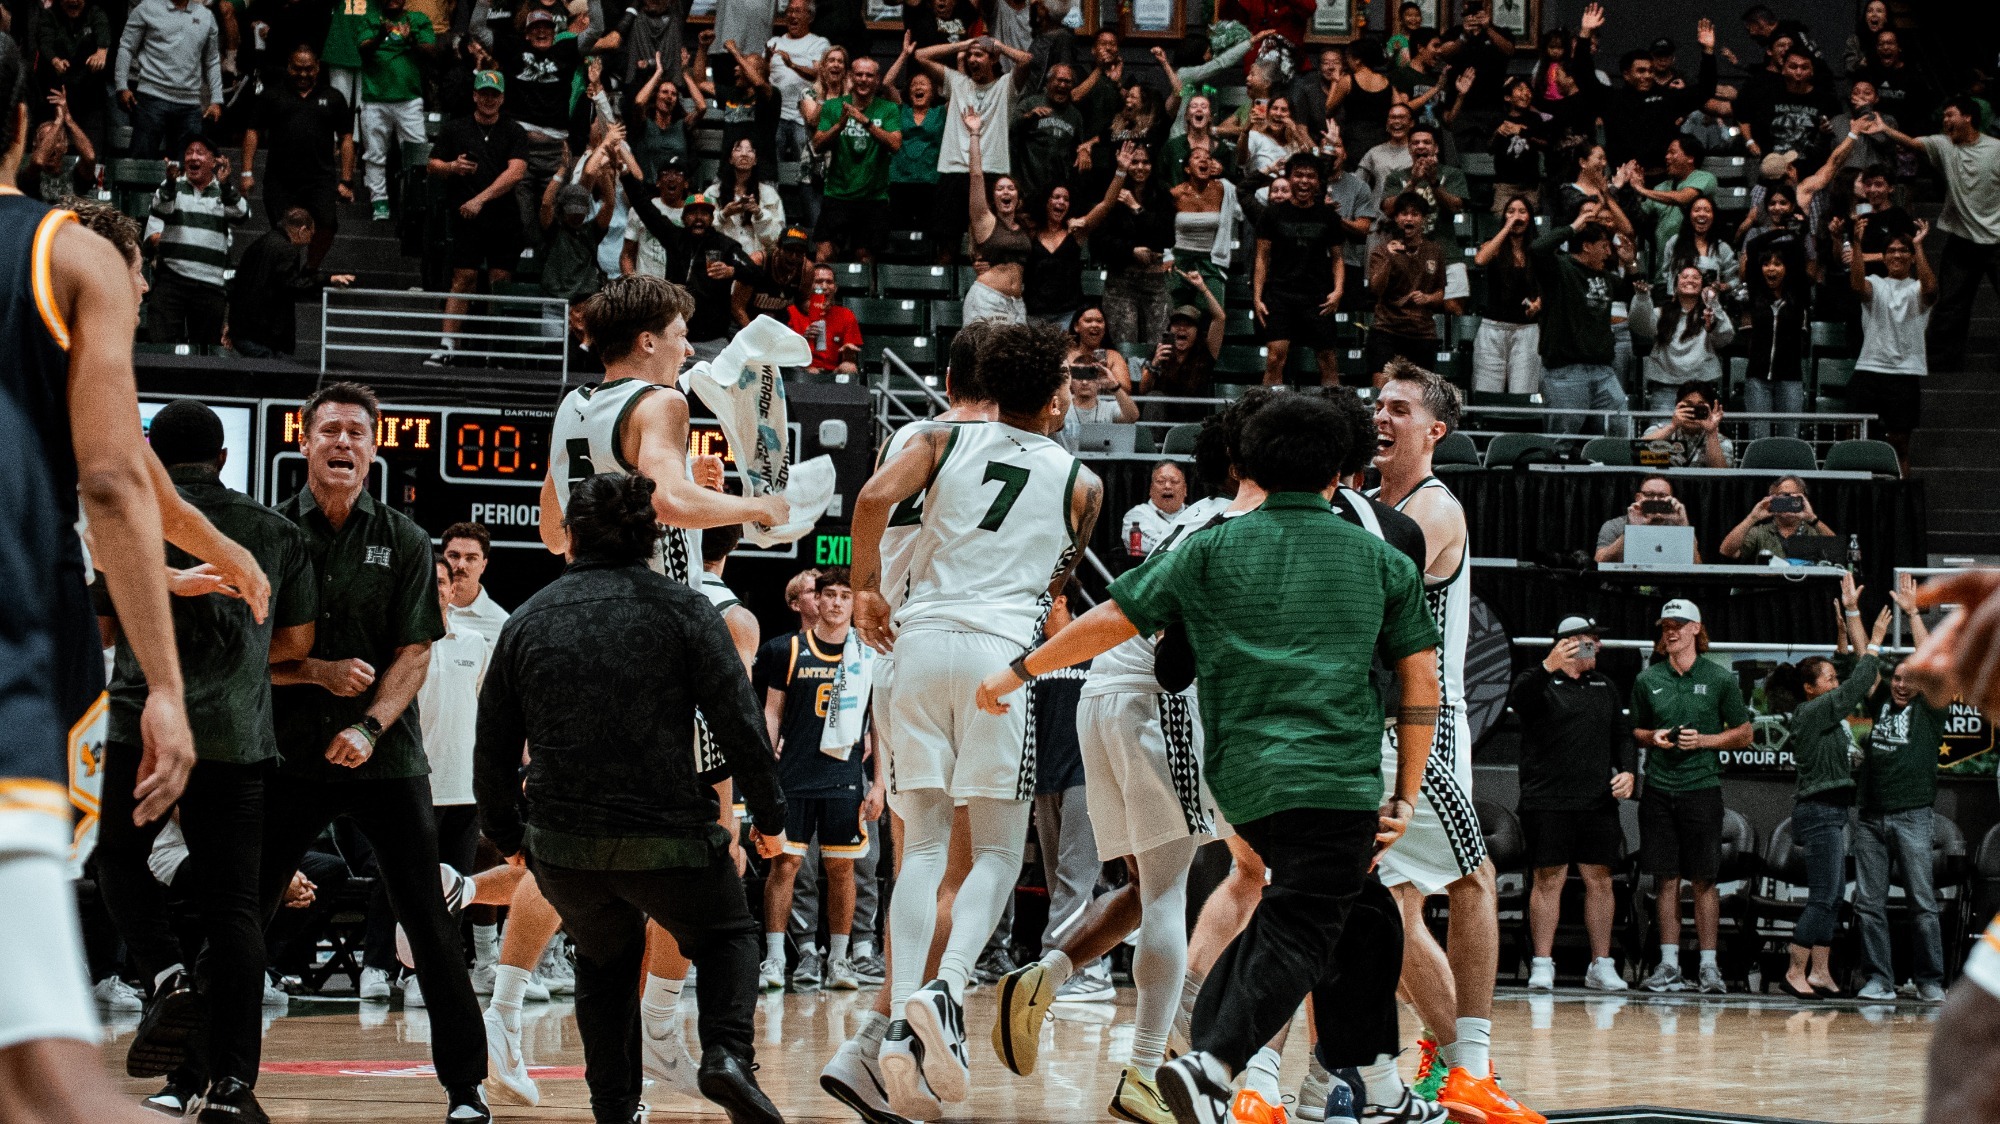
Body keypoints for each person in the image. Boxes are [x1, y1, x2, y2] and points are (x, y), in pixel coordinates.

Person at [974, 391, 1444, 1124]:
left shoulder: (1207, 544)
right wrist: (1407, 794)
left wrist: (1017, 673)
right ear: (1342, 473)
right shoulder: (1383, 558)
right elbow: (1421, 684)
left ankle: (1377, 1087)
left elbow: (1109, 619)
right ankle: (1212, 1061)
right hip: (1333, 776)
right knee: (1295, 920)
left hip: (1243, 780)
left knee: (1364, 916)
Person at [473, 471, 788, 1124]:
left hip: (564, 845)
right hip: (668, 833)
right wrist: (770, 820)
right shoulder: (686, 611)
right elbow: (741, 727)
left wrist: (510, 840)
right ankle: (726, 1054)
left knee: (602, 966)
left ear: (569, 536)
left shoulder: (527, 620)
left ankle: (615, 1111)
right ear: (654, 532)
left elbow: (492, 753)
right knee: (730, 937)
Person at [849, 321, 1098, 1117]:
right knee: (993, 849)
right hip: (1001, 661)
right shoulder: (1082, 484)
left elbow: (872, 498)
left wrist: (863, 590)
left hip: (917, 645)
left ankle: (897, 1023)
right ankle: (950, 990)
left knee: (920, 847)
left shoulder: (940, 441)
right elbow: (1056, 593)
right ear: (1055, 394)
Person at [259, 382, 490, 1123]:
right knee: (245, 910)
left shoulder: (408, 540)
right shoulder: (270, 534)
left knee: (427, 917)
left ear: (373, 448)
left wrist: (370, 725)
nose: (343, 443)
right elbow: (246, 655)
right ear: (305, 440)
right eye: (329, 430)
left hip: (386, 761)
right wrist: (318, 673)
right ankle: (212, 1072)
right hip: (290, 755)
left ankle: (465, 1089)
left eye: (357, 433)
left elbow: (415, 651)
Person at [90, 401, 317, 1121]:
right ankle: (233, 1088)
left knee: (119, 860)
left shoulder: (126, 504)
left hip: (140, 719)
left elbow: (103, 621)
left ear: (154, 451)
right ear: (224, 457)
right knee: (236, 910)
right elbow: (297, 643)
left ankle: (163, 973)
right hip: (236, 735)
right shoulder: (278, 532)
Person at [1370, 360, 1538, 1124]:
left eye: (1399, 408)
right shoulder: (1372, 504)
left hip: (1423, 724)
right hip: (1374, 720)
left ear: (1435, 430)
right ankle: (1451, 1059)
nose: (1382, 416)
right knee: (1391, 908)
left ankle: (1469, 1062)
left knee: (1468, 879)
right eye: (1378, 405)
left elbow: (1372, 597)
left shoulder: (1436, 510)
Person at [755, 567, 882, 993]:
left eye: (845, 596)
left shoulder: (867, 654)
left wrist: (878, 782)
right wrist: (765, 774)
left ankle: (841, 961)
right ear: (817, 600)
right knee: (785, 865)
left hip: (844, 778)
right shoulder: (786, 650)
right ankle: (775, 960)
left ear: (853, 603)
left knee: (842, 869)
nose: (836, 603)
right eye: (829, 595)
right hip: (794, 776)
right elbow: (772, 713)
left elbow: (879, 724)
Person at [1763, 574, 1887, 1000]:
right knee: (1824, 896)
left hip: (1832, 812)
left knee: (1833, 897)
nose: (1835, 684)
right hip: (1818, 813)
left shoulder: (1824, 715)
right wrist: (1874, 643)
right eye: (1828, 679)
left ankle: (1821, 972)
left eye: (1834, 678)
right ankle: (1795, 970)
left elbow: (1849, 680)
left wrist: (1845, 627)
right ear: (1810, 689)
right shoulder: (1812, 713)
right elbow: (1855, 686)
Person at [1630, 598, 1754, 994]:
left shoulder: (1718, 678)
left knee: (1704, 879)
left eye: (1679, 625)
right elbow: (1636, 730)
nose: (1671, 631)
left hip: (1701, 787)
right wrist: (1654, 738)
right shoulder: (1648, 679)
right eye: (1666, 625)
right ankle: (1668, 965)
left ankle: (1708, 966)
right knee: (1665, 879)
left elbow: (1745, 732)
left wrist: (1705, 740)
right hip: (1659, 789)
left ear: (1696, 629)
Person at [1510, 617, 1634, 992]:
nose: (1598, 646)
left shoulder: (1604, 685)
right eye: (1589, 641)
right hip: (1547, 799)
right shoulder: (1539, 681)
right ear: (1566, 644)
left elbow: (1621, 735)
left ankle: (1601, 963)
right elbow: (1519, 700)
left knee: (1601, 880)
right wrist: (1548, 665)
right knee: (1550, 879)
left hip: (1597, 801)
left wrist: (1629, 772)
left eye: (1597, 640)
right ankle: (1542, 963)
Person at [1853, 99, 2000, 373]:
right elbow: (1913, 143)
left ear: (1968, 117)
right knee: (1950, 303)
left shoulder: (1996, 149)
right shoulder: (1944, 145)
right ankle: (1943, 363)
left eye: (1950, 115)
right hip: (1962, 237)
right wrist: (1885, 128)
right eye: (1943, 116)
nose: (1945, 120)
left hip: (1997, 240)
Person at [1854, 573, 1947, 1003]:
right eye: (1897, 678)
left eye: (1910, 678)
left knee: (1922, 904)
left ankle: (1930, 980)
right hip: (1871, 814)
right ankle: (1879, 980)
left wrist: (1912, 615)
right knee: (1868, 903)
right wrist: (1857, 617)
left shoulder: (1930, 706)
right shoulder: (1881, 700)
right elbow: (1863, 662)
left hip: (1913, 813)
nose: (1902, 683)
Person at [427, 71, 529, 367]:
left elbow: (517, 171)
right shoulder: (455, 128)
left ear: (502, 98)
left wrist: (480, 199)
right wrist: (452, 166)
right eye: (483, 93)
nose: (488, 99)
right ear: (474, 95)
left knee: (500, 281)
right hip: (466, 217)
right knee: (463, 278)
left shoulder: (513, 131)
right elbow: (432, 164)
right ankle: (446, 346)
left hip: (502, 216)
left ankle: (496, 350)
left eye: (494, 94)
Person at [913, 35, 1037, 259]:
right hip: (954, 170)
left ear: (992, 59)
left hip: (991, 170)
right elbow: (921, 55)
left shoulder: (1005, 85)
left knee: (987, 244)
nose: (972, 58)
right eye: (969, 55)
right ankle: (948, 293)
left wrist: (998, 45)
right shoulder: (958, 83)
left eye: (978, 54)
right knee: (946, 244)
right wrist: (964, 44)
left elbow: (1027, 61)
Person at [238, 46, 353, 270]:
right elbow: (252, 132)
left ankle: (310, 269)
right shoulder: (272, 95)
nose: (303, 74)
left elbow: (346, 139)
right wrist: (246, 172)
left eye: (308, 69)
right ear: (289, 67)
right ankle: (288, 273)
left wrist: (347, 180)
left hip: (320, 178)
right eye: (297, 69)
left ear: (317, 67)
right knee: (284, 229)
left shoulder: (333, 97)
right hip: (280, 179)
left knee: (328, 224)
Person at [1845, 214, 1936, 465]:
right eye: (1891, 251)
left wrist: (1918, 245)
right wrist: (1857, 243)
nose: (1897, 255)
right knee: (1853, 435)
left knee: (1900, 445)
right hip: (1870, 368)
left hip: (1905, 372)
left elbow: (1931, 290)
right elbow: (1856, 286)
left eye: (1903, 251)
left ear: (1911, 257)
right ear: (1884, 258)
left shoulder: (1916, 287)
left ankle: (1900, 496)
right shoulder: (1875, 283)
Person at [144, 135, 250, 346]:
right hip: (172, 280)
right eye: (189, 152)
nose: (193, 157)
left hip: (209, 285)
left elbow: (242, 215)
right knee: (160, 345)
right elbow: (159, 208)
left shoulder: (223, 192)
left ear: (214, 161)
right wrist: (171, 183)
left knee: (205, 350)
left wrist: (227, 186)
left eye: (200, 153)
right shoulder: (174, 186)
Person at [1254, 152, 1346, 387]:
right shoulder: (1272, 213)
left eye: (1310, 176)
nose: (1304, 181)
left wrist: (1338, 291)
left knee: (1328, 359)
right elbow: (1262, 257)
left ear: (1318, 182)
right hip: (1280, 295)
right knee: (1275, 358)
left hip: (1318, 296)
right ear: (1289, 178)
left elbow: (1337, 258)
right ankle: (1269, 416)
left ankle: (1335, 417)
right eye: (1299, 175)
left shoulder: (1328, 216)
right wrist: (1257, 297)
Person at [1532, 209, 1622, 435]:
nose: (1608, 252)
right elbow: (1537, 249)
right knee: (1563, 438)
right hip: (1566, 369)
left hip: (1603, 369)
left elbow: (1633, 289)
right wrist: (1575, 225)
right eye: (1604, 246)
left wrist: (1631, 266)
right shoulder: (1560, 269)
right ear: (1586, 246)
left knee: (1618, 430)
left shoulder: (1605, 275)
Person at [226, 208, 356, 358]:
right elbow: (292, 286)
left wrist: (230, 324)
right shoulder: (287, 251)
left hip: (243, 331)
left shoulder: (257, 245)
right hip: (267, 335)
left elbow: (236, 285)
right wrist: (327, 279)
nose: (310, 241)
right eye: (311, 234)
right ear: (302, 230)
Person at [356, 0, 439, 223]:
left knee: (417, 151)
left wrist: (411, 38)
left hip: (409, 99)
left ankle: (415, 201)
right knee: (374, 153)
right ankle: (379, 201)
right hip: (375, 98)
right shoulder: (370, 18)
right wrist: (380, 36)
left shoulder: (418, 19)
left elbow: (431, 51)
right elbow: (363, 47)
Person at [1599, 16, 1716, 174]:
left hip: (1661, 179)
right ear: (1626, 74)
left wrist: (1708, 52)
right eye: (1641, 71)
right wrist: (1584, 36)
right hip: (1623, 181)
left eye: (1650, 71)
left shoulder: (1667, 98)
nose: (1647, 75)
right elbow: (1585, 81)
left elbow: (1705, 90)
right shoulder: (1612, 98)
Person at [812, 54, 900, 263]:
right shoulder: (834, 107)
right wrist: (840, 126)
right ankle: (821, 295)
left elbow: (895, 144)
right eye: (859, 74)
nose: (863, 79)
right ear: (850, 76)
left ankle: (863, 296)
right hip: (837, 193)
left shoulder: (888, 109)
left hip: (873, 197)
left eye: (869, 75)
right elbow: (817, 143)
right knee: (825, 252)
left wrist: (866, 122)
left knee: (865, 256)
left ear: (877, 79)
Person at [115, 0, 224, 158]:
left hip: (190, 103)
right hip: (151, 97)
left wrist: (216, 99)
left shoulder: (206, 16)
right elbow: (126, 47)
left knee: (187, 166)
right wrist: (121, 86)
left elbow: (212, 60)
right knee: (141, 161)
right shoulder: (147, 8)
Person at [961, 106, 1033, 323]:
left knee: (1017, 358)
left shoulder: (1025, 227)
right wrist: (974, 133)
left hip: (1017, 304)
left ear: (1018, 198)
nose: (1006, 192)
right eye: (1000, 188)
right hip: (987, 299)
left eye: (1011, 188)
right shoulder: (985, 221)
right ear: (992, 198)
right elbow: (975, 176)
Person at [1367, 193, 1448, 378]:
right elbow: (1375, 289)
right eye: (1404, 214)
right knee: (1382, 386)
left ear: (1423, 219)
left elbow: (1440, 293)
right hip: (1387, 329)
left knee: (1419, 393)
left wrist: (1427, 298)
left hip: (1422, 332)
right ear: (1396, 218)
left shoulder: (1435, 251)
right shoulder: (1381, 250)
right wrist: (1390, 258)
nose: (1409, 218)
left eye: (1415, 214)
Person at [1630, 267, 1734, 412]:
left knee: (1700, 434)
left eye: (1696, 277)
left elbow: (1725, 338)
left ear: (1703, 285)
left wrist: (1713, 304)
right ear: (1675, 285)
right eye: (1684, 277)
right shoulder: (1661, 313)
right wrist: (1642, 298)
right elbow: (1640, 327)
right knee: (1661, 433)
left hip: (1701, 390)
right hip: (1665, 388)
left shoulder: (1709, 313)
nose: (1690, 280)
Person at [1740, 248, 1806, 439]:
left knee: (1790, 440)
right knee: (1759, 439)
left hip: (1791, 379)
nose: (1771, 269)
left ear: (1787, 268)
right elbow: (1747, 338)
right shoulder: (1750, 299)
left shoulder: (1798, 300)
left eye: (1778, 264)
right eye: (1766, 263)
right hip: (1757, 379)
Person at [1141, 293, 1225, 425]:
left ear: (1197, 332)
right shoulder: (1160, 352)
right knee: (1154, 397)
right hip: (1164, 418)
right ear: (1169, 330)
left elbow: (1220, 318)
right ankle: (1154, 445)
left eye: (1188, 325)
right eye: (1177, 324)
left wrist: (1202, 289)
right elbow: (1143, 391)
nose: (1181, 328)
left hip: (1195, 419)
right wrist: (1154, 365)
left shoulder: (1205, 353)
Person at [1011, 62, 1084, 200]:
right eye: (1059, 80)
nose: (1063, 85)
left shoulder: (1075, 115)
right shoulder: (1030, 103)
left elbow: (1079, 146)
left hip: (1056, 191)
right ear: (1049, 81)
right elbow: (1010, 129)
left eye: (1067, 82)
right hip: (1027, 186)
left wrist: (1084, 151)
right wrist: (1028, 117)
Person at [1720, 476, 1836, 562]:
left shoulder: (1813, 532)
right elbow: (1727, 551)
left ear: (1803, 499)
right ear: (1772, 499)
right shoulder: (1760, 532)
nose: (1789, 500)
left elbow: (1835, 553)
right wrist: (1752, 518)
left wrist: (1812, 518)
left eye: (1794, 496)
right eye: (1784, 495)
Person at [1595, 475, 1699, 564]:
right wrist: (1632, 529)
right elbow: (1599, 562)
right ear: (1638, 498)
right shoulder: (1615, 525)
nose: (1655, 500)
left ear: (1671, 499)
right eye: (1649, 495)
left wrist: (1684, 527)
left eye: (1662, 495)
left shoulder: (1678, 527)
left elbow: (1697, 567)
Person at [787, 263, 864, 375]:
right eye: (818, 282)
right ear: (809, 286)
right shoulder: (792, 312)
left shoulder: (846, 314)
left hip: (833, 373)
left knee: (849, 368)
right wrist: (804, 339)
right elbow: (785, 353)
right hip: (802, 370)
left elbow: (850, 359)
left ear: (835, 288)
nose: (824, 287)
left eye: (829, 282)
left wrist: (849, 354)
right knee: (811, 372)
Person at [440, 523, 509, 648]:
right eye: (454, 556)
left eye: (471, 558)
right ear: (442, 560)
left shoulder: (501, 624)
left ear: (483, 565)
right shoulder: (421, 611)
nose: (461, 565)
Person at [1638, 381, 1730, 468]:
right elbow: (1637, 453)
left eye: (1700, 407)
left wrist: (1711, 433)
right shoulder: (1657, 430)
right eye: (1688, 406)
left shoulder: (1721, 441)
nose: (1693, 412)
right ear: (1677, 407)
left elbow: (1722, 476)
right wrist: (1673, 426)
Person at [1120, 462, 1189, 557]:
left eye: (1174, 481)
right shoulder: (1136, 515)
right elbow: (1147, 546)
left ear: (1185, 490)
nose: (1167, 486)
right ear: (1151, 489)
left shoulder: (1198, 513)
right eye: (1161, 481)